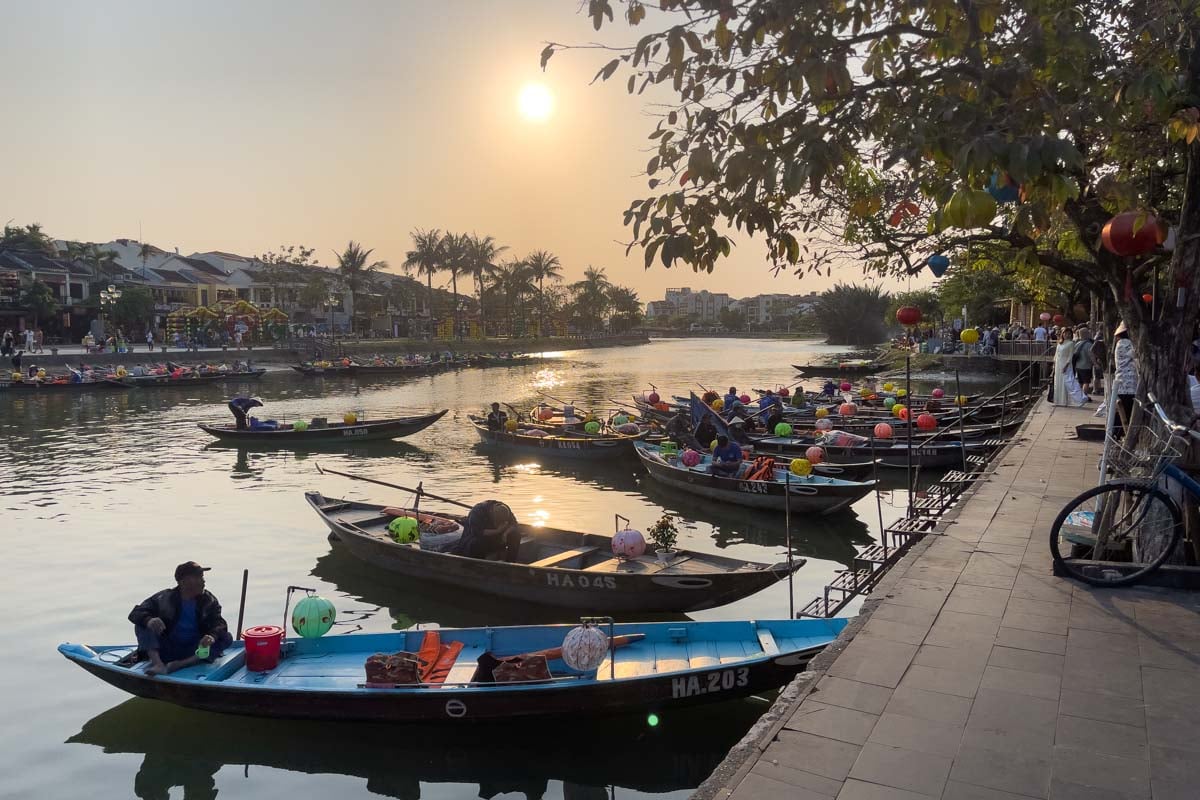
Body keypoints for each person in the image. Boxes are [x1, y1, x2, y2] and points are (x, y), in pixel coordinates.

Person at [127, 561, 232, 676]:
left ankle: (180, 664)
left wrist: (211, 636)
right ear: (183, 582)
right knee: (142, 625)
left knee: (226, 637)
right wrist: (149, 620)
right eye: (198, 578)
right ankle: (158, 664)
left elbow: (219, 623)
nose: (203, 581)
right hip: (168, 648)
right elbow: (136, 613)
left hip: (194, 649)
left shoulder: (208, 600)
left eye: (202, 577)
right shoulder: (165, 598)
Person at [454, 500, 522, 561]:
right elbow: (478, 532)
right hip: (476, 541)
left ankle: (510, 563)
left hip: (497, 539)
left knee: (516, 535)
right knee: (477, 543)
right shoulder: (477, 511)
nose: (498, 524)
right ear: (491, 512)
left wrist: (505, 533)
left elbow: (514, 525)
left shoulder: (505, 509)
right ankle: (479, 566)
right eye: (497, 523)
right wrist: (498, 531)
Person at [1113, 322, 1138, 436]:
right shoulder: (1126, 343)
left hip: (1123, 383)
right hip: (1128, 384)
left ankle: (1118, 435)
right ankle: (1119, 436)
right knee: (1125, 413)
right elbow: (1137, 354)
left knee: (1122, 412)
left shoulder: (1120, 343)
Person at [1053, 329, 1087, 407]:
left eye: (1069, 334)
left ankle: (1078, 398)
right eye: (1065, 333)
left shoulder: (1071, 343)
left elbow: (1070, 356)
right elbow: (1056, 354)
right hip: (1058, 364)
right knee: (1058, 382)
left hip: (1066, 364)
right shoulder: (1060, 343)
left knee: (1069, 382)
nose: (1067, 335)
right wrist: (1054, 364)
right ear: (1062, 334)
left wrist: (1066, 366)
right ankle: (1058, 401)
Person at [1072, 328, 1095, 396]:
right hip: (1086, 366)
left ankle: (1079, 395)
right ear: (1086, 334)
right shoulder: (1089, 344)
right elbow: (1091, 355)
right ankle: (1084, 395)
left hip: (1078, 366)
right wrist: (1095, 364)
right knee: (1086, 382)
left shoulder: (1077, 344)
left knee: (1080, 382)